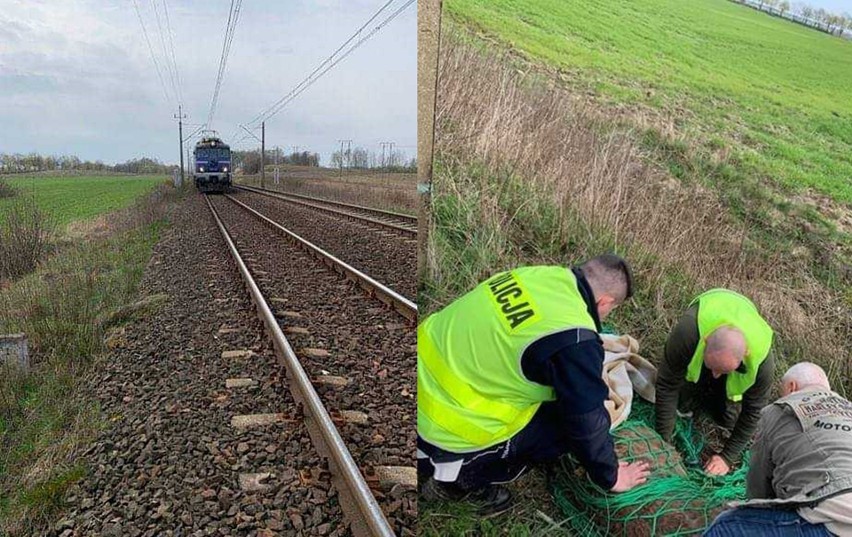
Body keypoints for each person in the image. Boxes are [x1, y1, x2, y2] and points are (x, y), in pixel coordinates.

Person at [417, 254, 651, 516]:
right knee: (565, 423)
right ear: (605, 301)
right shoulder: (575, 340)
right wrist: (612, 476)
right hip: (442, 424)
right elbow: (587, 421)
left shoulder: (538, 275)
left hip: (421, 368)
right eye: (611, 309)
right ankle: (459, 481)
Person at [704, 362, 852, 536]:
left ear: (792, 387)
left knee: (725, 526)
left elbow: (758, 486)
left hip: (835, 522)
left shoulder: (778, 410)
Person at [654, 289, 774, 476]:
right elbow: (667, 384)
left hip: (735, 349)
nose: (716, 375)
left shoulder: (762, 363)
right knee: (680, 400)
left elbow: (753, 412)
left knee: (726, 419)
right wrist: (663, 442)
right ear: (706, 340)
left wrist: (727, 457)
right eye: (712, 367)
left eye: (723, 371)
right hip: (708, 314)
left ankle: (714, 396)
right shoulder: (688, 332)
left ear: (746, 354)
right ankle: (696, 390)